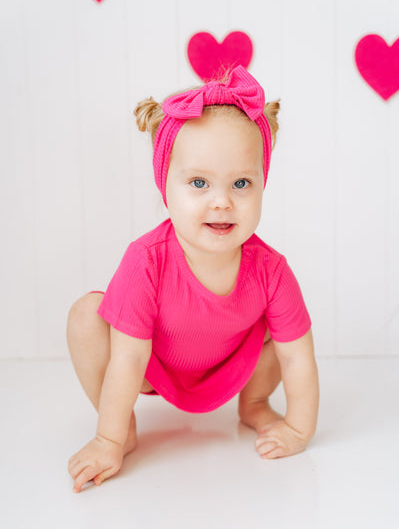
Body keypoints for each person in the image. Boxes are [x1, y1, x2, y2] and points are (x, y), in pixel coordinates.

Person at [67, 65, 319, 494]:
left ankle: (255, 403)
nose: (221, 201)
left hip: (233, 367)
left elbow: (298, 358)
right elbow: (128, 358)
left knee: (284, 335)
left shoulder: (271, 269)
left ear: (263, 185)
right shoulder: (146, 260)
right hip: (154, 368)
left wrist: (299, 429)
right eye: (198, 183)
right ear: (165, 186)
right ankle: (119, 429)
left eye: (241, 183)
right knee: (87, 315)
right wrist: (107, 441)